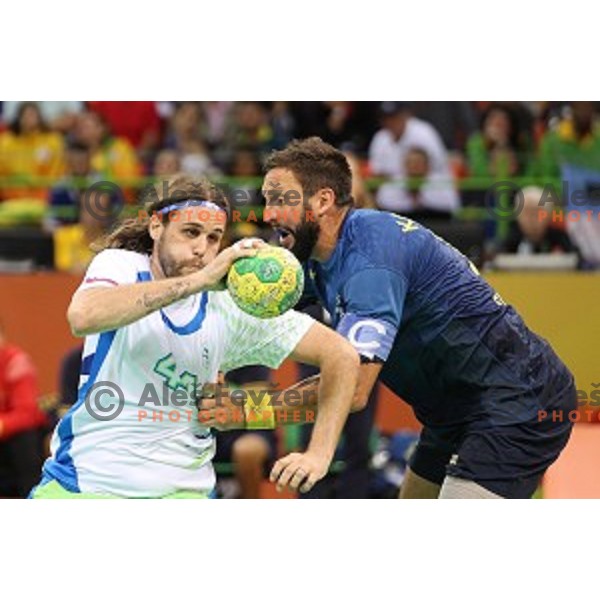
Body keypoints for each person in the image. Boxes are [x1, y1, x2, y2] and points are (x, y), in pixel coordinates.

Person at [261, 137, 577, 499]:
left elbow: (354, 385)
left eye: (279, 200)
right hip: (452, 414)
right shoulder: (316, 259)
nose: (268, 214)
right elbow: (255, 314)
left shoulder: (370, 259)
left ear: (323, 201)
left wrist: (259, 414)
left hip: (518, 400)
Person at [30, 174, 359, 499]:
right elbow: (83, 315)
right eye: (190, 232)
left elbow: (342, 357)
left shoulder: (231, 306)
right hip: (85, 483)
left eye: (214, 238)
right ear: (156, 226)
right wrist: (200, 280)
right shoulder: (122, 265)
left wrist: (293, 438)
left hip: (183, 492)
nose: (202, 248)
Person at [0, 322, 47, 498]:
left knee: (24, 440)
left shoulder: (16, 361)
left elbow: (27, 413)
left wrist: (2, 426)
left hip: (17, 438)